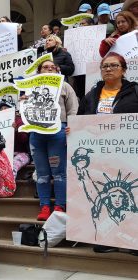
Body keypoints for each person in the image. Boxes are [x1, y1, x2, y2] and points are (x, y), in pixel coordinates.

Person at [77, 52, 138, 255]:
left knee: (133, 196)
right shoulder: (91, 96)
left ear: (123, 69)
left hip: (129, 155)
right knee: (106, 199)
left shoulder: (135, 92)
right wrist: (74, 130)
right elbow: (80, 121)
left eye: (113, 66)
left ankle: (134, 241)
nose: (108, 69)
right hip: (100, 157)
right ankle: (109, 238)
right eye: (105, 66)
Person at [26, 60, 78, 221]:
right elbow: (25, 110)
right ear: (39, 71)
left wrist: (72, 126)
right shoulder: (30, 88)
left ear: (57, 70)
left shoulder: (65, 86)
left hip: (58, 132)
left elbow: (73, 108)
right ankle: (45, 206)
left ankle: (60, 205)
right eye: (45, 67)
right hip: (37, 134)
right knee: (42, 174)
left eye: (52, 67)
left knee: (59, 172)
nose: (49, 69)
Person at [0, 101, 30, 179]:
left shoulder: (20, 121)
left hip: (22, 154)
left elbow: (24, 139)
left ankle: (9, 189)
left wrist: (16, 130)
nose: (3, 110)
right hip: (5, 154)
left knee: (12, 167)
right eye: (1, 109)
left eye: (5, 108)